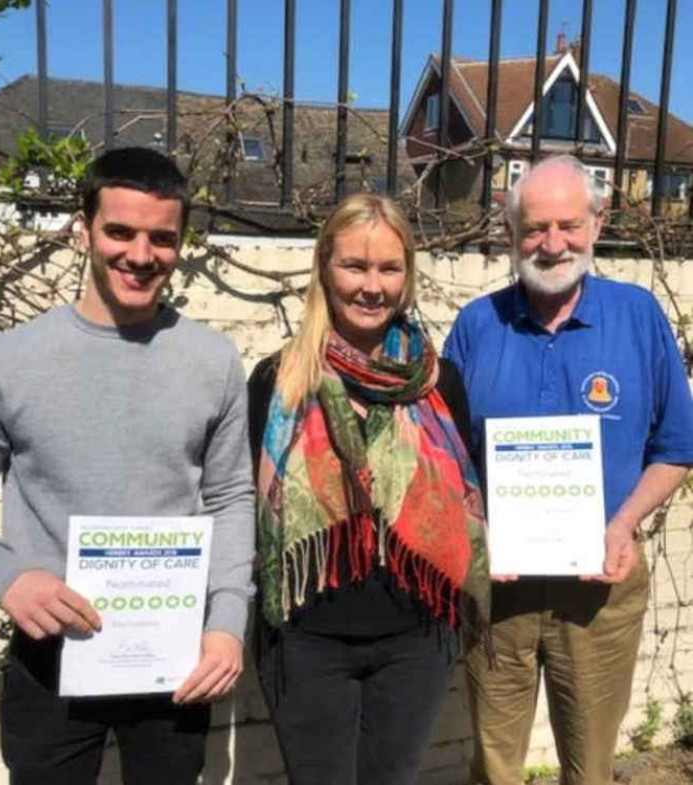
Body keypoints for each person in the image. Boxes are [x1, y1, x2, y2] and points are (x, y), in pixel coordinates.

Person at [0, 146, 255, 785]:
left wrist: (226, 624)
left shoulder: (211, 362)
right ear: (82, 229)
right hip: (48, 650)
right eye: (120, 231)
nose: (141, 255)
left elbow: (230, 500)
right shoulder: (8, 363)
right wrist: (7, 577)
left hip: (172, 653)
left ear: (181, 243)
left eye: (161, 238)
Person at [443, 154, 693, 785]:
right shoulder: (477, 326)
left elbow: (676, 447)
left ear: (597, 223)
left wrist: (625, 522)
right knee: (495, 766)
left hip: (600, 589)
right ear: (509, 232)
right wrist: (476, 531)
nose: (551, 244)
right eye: (534, 228)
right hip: (498, 590)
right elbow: (445, 458)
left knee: (590, 766)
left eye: (567, 225)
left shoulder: (638, 317)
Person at [248, 193, 490, 785]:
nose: (371, 286)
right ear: (324, 269)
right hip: (306, 641)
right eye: (354, 266)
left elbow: (467, 502)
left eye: (389, 267)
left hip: (417, 638)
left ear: (407, 275)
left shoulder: (439, 382)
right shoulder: (278, 381)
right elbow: (246, 510)